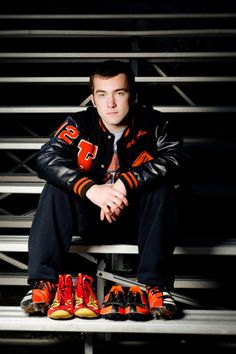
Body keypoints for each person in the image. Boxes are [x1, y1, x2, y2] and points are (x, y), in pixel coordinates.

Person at [20, 59, 189, 321]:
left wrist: (126, 182)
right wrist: (91, 190)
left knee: (162, 189)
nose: (110, 104)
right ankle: (42, 283)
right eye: (102, 94)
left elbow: (177, 159)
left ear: (132, 95)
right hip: (90, 218)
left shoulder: (154, 122)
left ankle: (157, 286)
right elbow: (45, 159)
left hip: (139, 220)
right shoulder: (78, 124)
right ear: (93, 98)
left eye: (119, 93)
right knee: (55, 189)